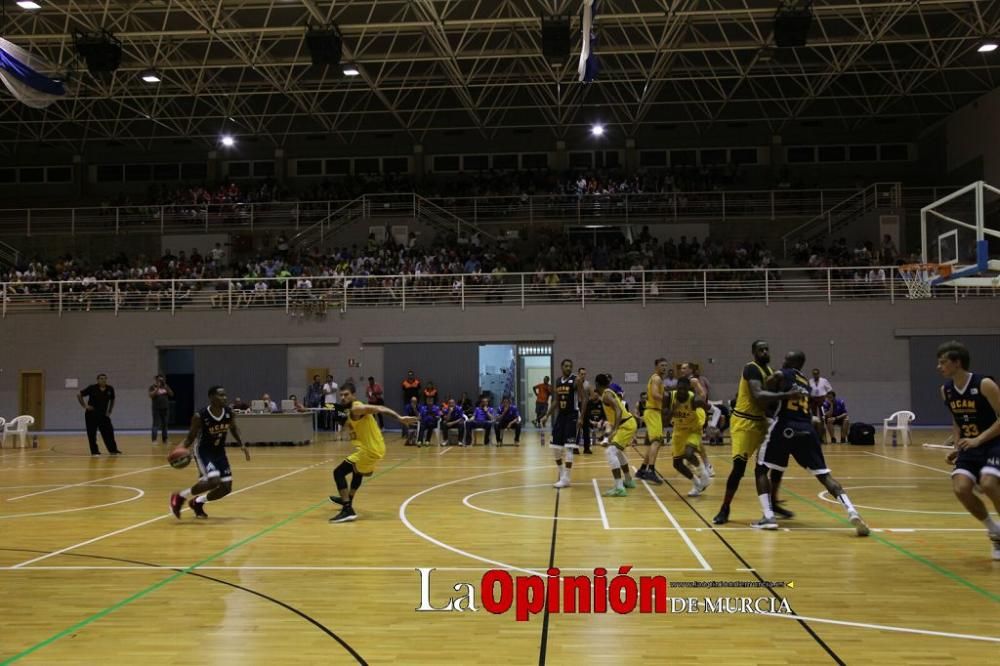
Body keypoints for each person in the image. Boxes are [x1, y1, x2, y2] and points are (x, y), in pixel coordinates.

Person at [752, 352, 869, 536]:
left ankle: (768, 517)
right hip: (807, 430)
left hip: (784, 427)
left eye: (786, 359)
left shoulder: (784, 373)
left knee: (760, 469)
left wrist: (768, 385)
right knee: (825, 476)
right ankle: (852, 511)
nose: (783, 360)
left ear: (793, 362)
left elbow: (768, 386)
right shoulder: (805, 381)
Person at [712, 341, 802, 525]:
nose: (765, 352)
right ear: (754, 352)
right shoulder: (751, 369)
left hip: (762, 422)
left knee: (774, 463)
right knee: (738, 469)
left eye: (767, 349)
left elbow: (772, 403)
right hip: (744, 422)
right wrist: (787, 395)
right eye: (760, 350)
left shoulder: (771, 372)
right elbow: (758, 395)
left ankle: (773, 503)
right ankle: (725, 508)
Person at [937, 341, 1000, 560]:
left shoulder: (984, 384)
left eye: (943, 362)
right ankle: (995, 531)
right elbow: (956, 421)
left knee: (988, 483)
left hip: (993, 443)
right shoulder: (946, 390)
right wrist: (957, 447)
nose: (939, 367)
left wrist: (978, 439)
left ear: (957, 363)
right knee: (961, 488)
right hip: (970, 447)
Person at [328, 382, 417, 523]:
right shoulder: (348, 411)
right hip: (372, 448)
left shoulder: (357, 408)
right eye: (341, 395)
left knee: (338, 472)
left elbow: (379, 408)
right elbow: (347, 422)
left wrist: (399, 418)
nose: (343, 398)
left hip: (371, 450)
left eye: (346, 395)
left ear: (353, 395)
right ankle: (348, 499)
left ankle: (347, 509)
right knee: (358, 472)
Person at [169, 385, 250, 519]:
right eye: (220, 395)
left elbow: (234, 429)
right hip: (203, 451)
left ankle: (197, 502)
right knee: (214, 481)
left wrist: (242, 444)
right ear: (211, 397)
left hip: (219, 452)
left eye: (225, 395)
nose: (224, 397)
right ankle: (179, 496)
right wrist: (179, 449)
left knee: (226, 488)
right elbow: (190, 437)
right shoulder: (200, 416)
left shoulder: (229, 412)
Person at [544, 358, 587, 488]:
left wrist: (581, 418)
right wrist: (546, 415)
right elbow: (556, 401)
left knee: (569, 447)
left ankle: (567, 478)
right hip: (561, 416)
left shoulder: (576, 380)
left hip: (572, 415)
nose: (568, 368)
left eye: (570, 366)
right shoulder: (557, 381)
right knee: (555, 448)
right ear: (561, 367)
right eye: (566, 366)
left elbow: (584, 399)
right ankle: (563, 475)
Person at [665, 376, 712, 497]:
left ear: (688, 389)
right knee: (677, 464)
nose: (681, 391)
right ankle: (697, 483)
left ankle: (704, 474)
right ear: (677, 388)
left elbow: (710, 409)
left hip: (693, 430)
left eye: (684, 389)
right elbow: (665, 421)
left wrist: (708, 422)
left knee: (689, 453)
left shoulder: (694, 400)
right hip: (678, 432)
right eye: (679, 388)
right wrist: (672, 410)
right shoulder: (669, 397)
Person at [596, 373, 637, 497]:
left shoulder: (606, 395)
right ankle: (628, 480)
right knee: (617, 452)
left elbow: (618, 410)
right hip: (628, 423)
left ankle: (619, 487)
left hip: (625, 425)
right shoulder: (608, 392)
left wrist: (615, 429)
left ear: (597, 384)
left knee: (610, 452)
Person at [637, 358, 669, 484]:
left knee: (654, 443)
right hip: (652, 411)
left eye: (666, 365)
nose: (664, 368)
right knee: (656, 441)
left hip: (654, 411)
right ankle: (651, 470)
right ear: (656, 366)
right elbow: (655, 394)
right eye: (662, 365)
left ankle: (642, 470)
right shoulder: (656, 378)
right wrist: (669, 400)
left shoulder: (658, 379)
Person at [78, 373, 121, 456]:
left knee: (109, 432)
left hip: (104, 415)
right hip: (91, 415)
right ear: (97, 380)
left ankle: (113, 450)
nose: (103, 380)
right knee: (92, 433)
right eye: (101, 378)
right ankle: (94, 451)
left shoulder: (110, 389)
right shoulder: (92, 388)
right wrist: (85, 406)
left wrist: (110, 411)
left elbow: (112, 399)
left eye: (105, 378)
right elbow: (79, 395)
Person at [148, 374, 174, 444]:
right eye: (159, 380)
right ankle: (154, 440)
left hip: (165, 408)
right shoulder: (152, 387)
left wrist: (166, 387)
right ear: (156, 380)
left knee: (165, 425)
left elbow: (171, 394)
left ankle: (165, 440)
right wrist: (157, 388)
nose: (161, 381)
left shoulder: (165, 386)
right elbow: (151, 395)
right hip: (156, 409)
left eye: (162, 379)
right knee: (155, 424)